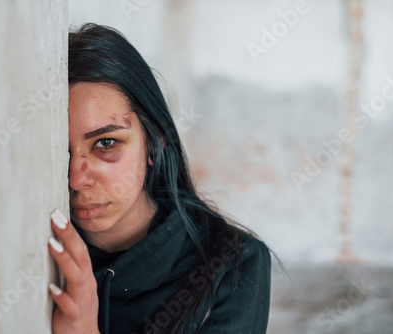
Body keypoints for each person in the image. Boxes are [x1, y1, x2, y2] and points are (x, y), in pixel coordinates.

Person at [47, 23, 271, 334]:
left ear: (154, 142)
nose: (75, 179)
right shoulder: (41, 257)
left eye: (106, 143)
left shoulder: (233, 264)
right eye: (62, 152)